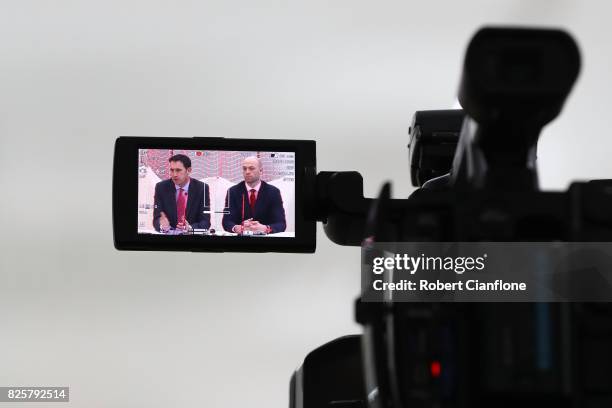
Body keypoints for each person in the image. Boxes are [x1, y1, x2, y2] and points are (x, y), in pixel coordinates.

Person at [222, 156, 286, 234]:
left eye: (251, 168)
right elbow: (226, 221)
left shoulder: (273, 192)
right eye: (244, 169)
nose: (247, 172)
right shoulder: (233, 191)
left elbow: (281, 224)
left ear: (261, 171)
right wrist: (237, 228)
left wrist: (266, 228)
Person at [153, 154, 211, 232]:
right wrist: (161, 226)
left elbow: (205, 222)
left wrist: (190, 228)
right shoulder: (161, 187)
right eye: (172, 170)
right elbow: (157, 218)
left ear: (189, 170)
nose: (174, 174)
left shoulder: (202, 188)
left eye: (178, 170)